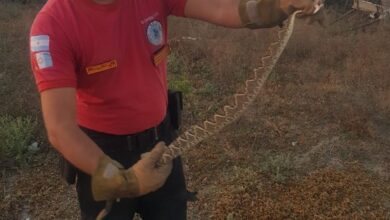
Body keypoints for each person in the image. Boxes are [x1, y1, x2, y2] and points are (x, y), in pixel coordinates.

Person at [29, 0, 320, 219]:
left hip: (161, 144)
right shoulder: (53, 25)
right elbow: (61, 129)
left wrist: (280, 6)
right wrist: (125, 181)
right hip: (99, 152)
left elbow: (221, 8)